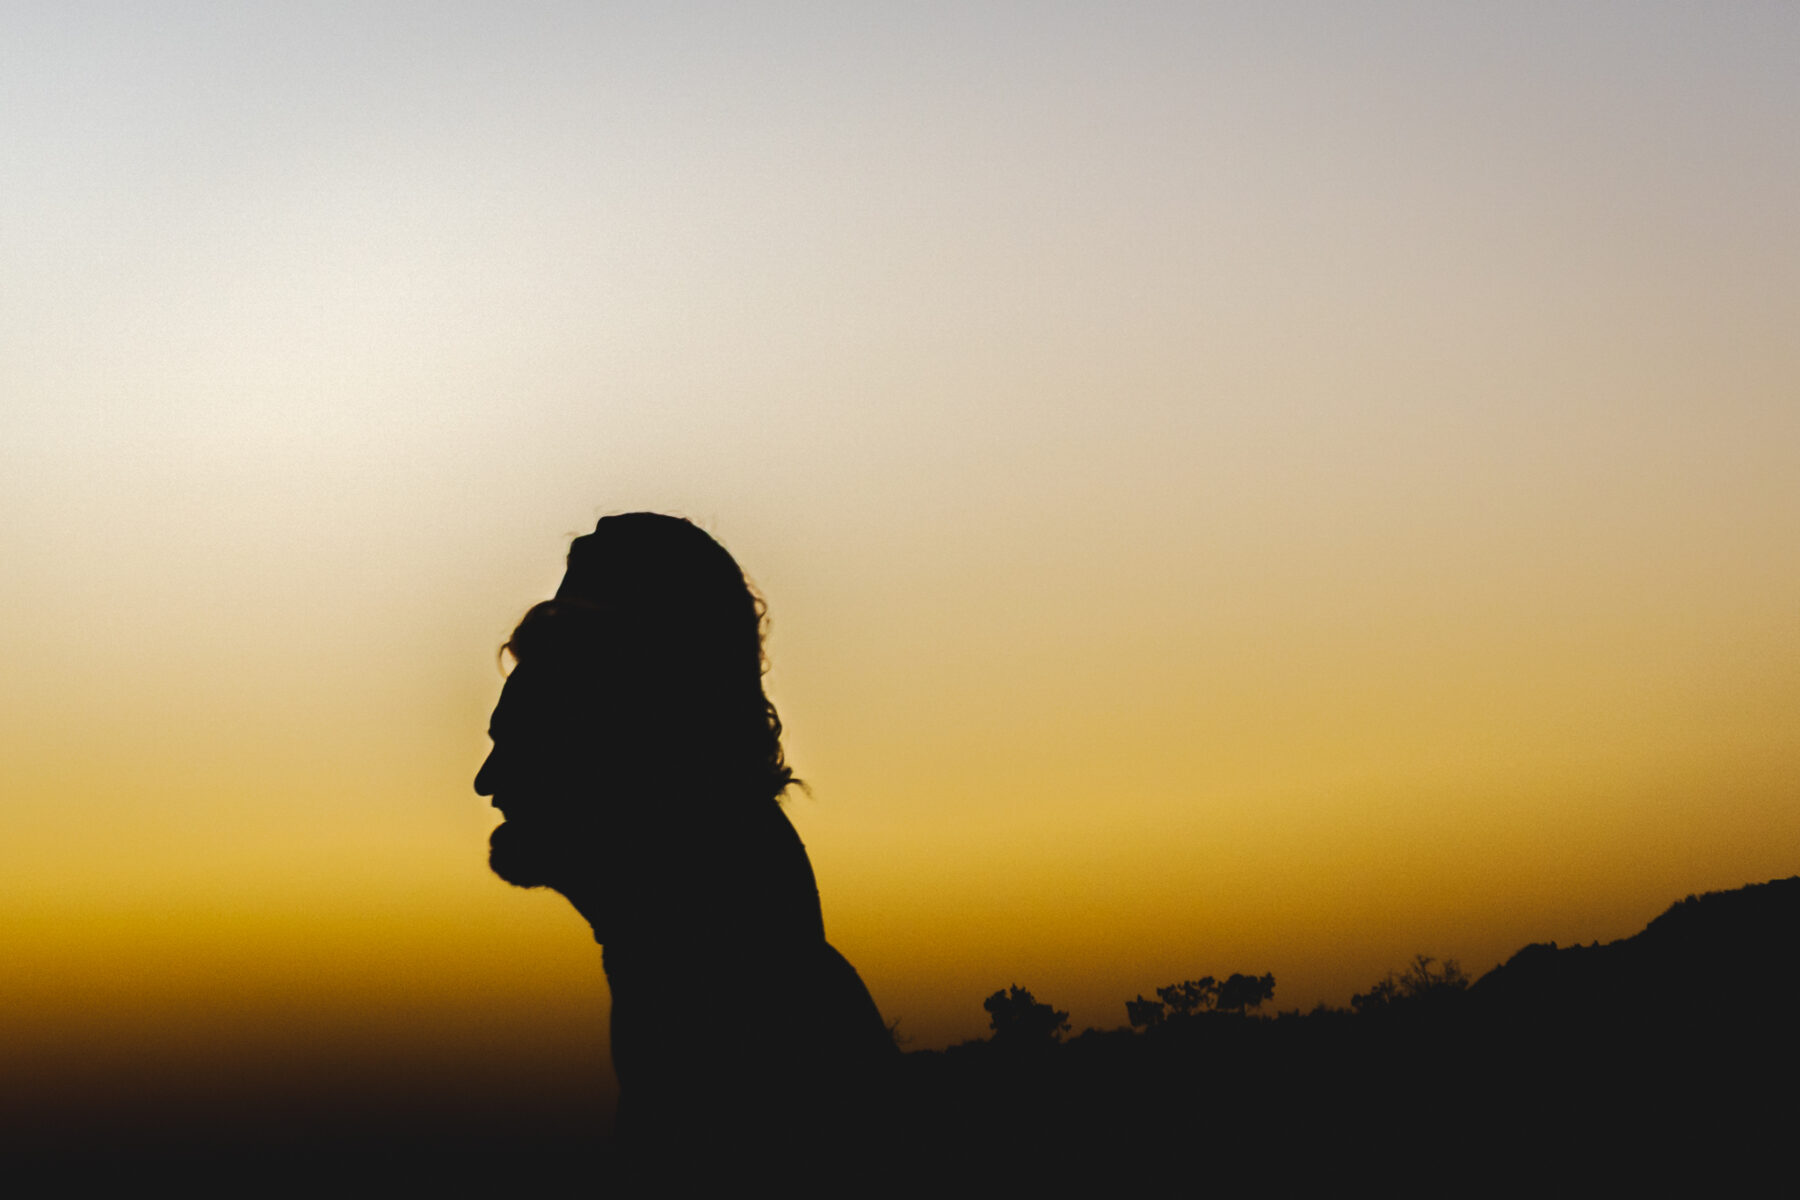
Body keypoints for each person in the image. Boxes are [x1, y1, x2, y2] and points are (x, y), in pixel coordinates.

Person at [475, 513, 895, 1168]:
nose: (487, 782)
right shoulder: (709, 934)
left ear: (631, 722)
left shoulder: (738, 992)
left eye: (527, 740)